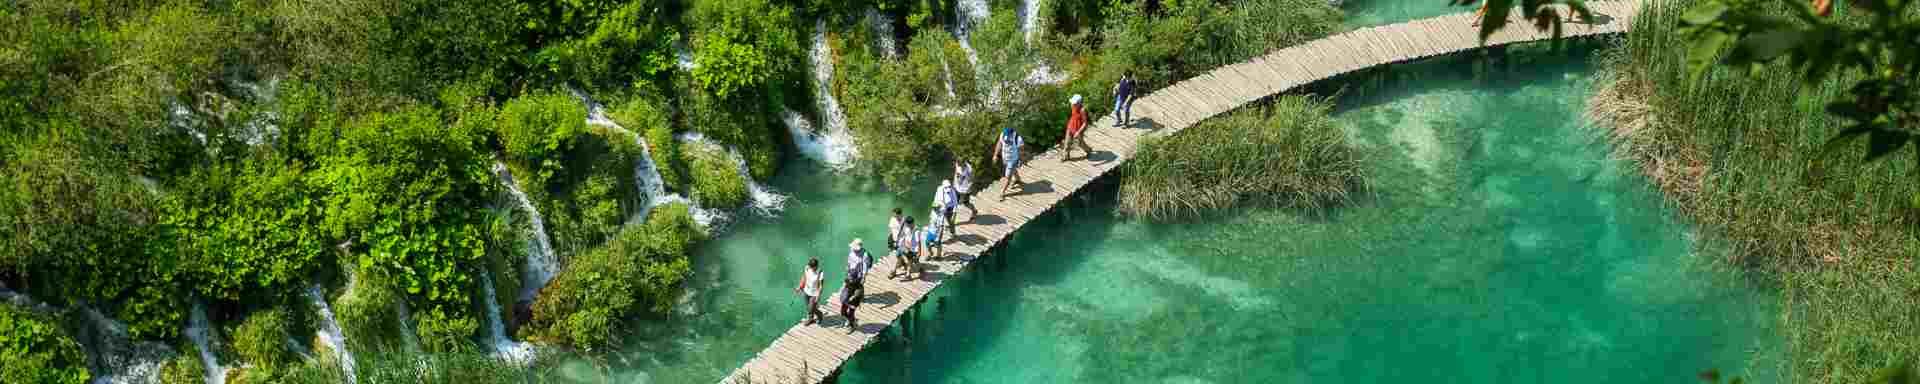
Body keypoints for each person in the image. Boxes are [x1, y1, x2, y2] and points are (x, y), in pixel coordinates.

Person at [841, 238, 870, 333]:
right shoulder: (851, 252)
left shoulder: (864, 255)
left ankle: (851, 324)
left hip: (858, 278)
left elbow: (865, 267)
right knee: (843, 311)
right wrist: (848, 271)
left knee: (852, 307)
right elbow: (849, 262)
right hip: (851, 276)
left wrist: (863, 278)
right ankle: (850, 320)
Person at [992, 127, 1024, 199]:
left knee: (1008, 177)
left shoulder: (1018, 139)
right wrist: (995, 155)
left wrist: (1020, 160)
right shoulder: (1003, 134)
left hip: (1013, 160)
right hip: (1005, 158)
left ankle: (1002, 192)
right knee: (1012, 170)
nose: (1006, 137)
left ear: (1012, 133)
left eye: (1008, 135)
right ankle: (1017, 179)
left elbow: (1021, 151)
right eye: (1005, 134)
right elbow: (999, 144)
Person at [794, 258, 824, 325]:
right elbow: (804, 278)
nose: (811, 269)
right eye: (810, 267)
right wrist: (799, 287)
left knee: (811, 308)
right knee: (808, 307)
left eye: (812, 267)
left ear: (816, 266)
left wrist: (818, 296)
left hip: (814, 293)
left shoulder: (820, 272)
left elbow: (821, 286)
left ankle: (820, 315)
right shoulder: (807, 268)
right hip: (806, 291)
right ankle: (811, 318)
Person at [1063, 94, 1092, 160]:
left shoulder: (1083, 110)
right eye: (1074, 103)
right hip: (1071, 126)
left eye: (1075, 103)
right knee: (1067, 142)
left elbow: (1085, 123)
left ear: (1080, 103)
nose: (1074, 104)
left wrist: (1078, 132)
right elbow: (1073, 115)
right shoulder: (1073, 105)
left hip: (1078, 129)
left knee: (1080, 143)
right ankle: (1066, 156)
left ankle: (1088, 150)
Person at [891, 216, 919, 281]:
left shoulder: (916, 230)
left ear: (911, 223)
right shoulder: (905, 227)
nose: (906, 225)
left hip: (910, 249)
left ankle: (907, 274)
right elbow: (903, 235)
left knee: (909, 261)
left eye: (907, 224)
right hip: (903, 246)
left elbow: (918, 242)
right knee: (900, 259)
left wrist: (918, 251)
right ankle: (897, 271)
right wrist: (897, 242)